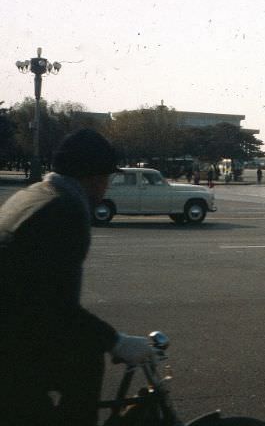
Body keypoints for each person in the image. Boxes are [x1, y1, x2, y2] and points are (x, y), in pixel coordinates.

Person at [0, 129, 158, 426]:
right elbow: (58, 308)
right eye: (106, 179)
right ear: (94, 177)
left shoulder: (32, 194)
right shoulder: (66, 209)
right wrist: (117, 342)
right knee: (85, 359)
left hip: (13, 329)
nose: (106, 188)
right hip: (10, 348)